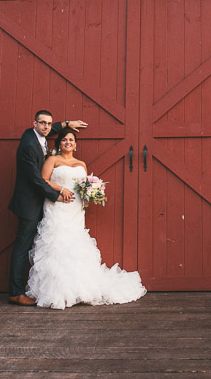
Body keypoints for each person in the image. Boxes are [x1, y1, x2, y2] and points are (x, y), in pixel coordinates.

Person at [26, 126, 146, 309]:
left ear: (75, 144)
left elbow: (83, 185)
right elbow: (43, 180)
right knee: (57, 243)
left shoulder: (81, 164)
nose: (68, 143)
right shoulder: (53, 159)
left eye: (71, 140)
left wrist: (91, 194)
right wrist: (61, 189)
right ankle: (58, 291)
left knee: (76, 245)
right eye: (65, 140)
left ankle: (79, 289)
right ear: (59, 144)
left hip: (76, 209)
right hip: (57, 205)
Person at [7, 110, 87, 306]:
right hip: (29, 204)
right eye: (42, 123)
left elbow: (53, 129)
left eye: (49, 124)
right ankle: (16, 292)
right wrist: (58, 194)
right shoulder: (28, 146)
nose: (46, 127)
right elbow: (36, 179)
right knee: (23, 246)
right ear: (34, 123)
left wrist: (66, 123)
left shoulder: (38, 136)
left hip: (59, 208)